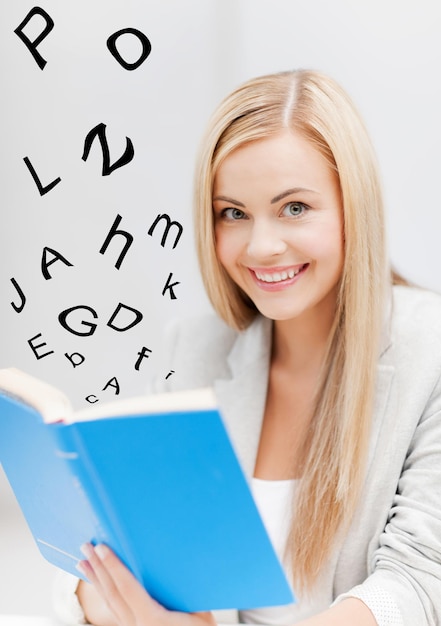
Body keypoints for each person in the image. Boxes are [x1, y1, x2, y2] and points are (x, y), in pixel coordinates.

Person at [53, 69, 441, 625]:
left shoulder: (430, 352)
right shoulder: (196, 350)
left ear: (355, 208)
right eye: (233, 213)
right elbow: (112, 553)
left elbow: (420, 582)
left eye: (295, 208)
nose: (261, 246)